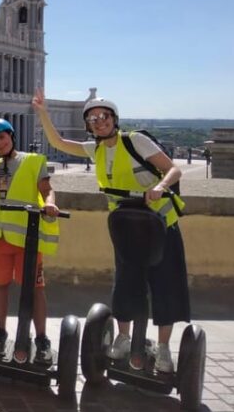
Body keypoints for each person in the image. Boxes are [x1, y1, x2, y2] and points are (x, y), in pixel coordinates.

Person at [32, 88, 189, 373]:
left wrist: (159, 187)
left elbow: (173, 169)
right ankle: (124, 337)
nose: (98, 122)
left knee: (165, 286)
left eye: (103, 117)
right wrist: (42, 113)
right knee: (126, 284)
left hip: (161, 226)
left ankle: (164, 348)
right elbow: (59, 142)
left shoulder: (135, 141)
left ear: (114, 119)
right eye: (92, 119)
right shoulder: (96, 150)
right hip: (128, 227)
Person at [0, 118, 60, 365]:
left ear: (11, 136)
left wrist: (50, 203)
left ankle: (41, 337)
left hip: (27, 238)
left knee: (35, 288)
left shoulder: (32, 161)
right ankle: (0, 331)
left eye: (2, 137)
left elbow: (46, 188)